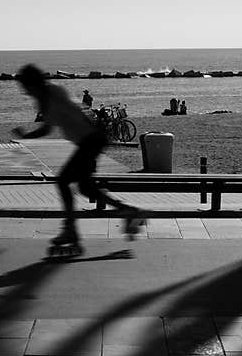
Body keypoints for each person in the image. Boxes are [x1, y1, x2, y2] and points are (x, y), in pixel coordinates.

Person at [13, 64, 145, 250]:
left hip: (91, 140)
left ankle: (71, 230)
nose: (24, 92)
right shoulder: (46, 97)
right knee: (85, 188)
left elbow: (55, 123)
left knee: (63, 181)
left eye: (25, 87)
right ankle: (128, 211)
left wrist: (27, 136)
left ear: (33, 84)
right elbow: (50, 126)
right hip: (90, 140)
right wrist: (27, 135)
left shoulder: (51, 94)